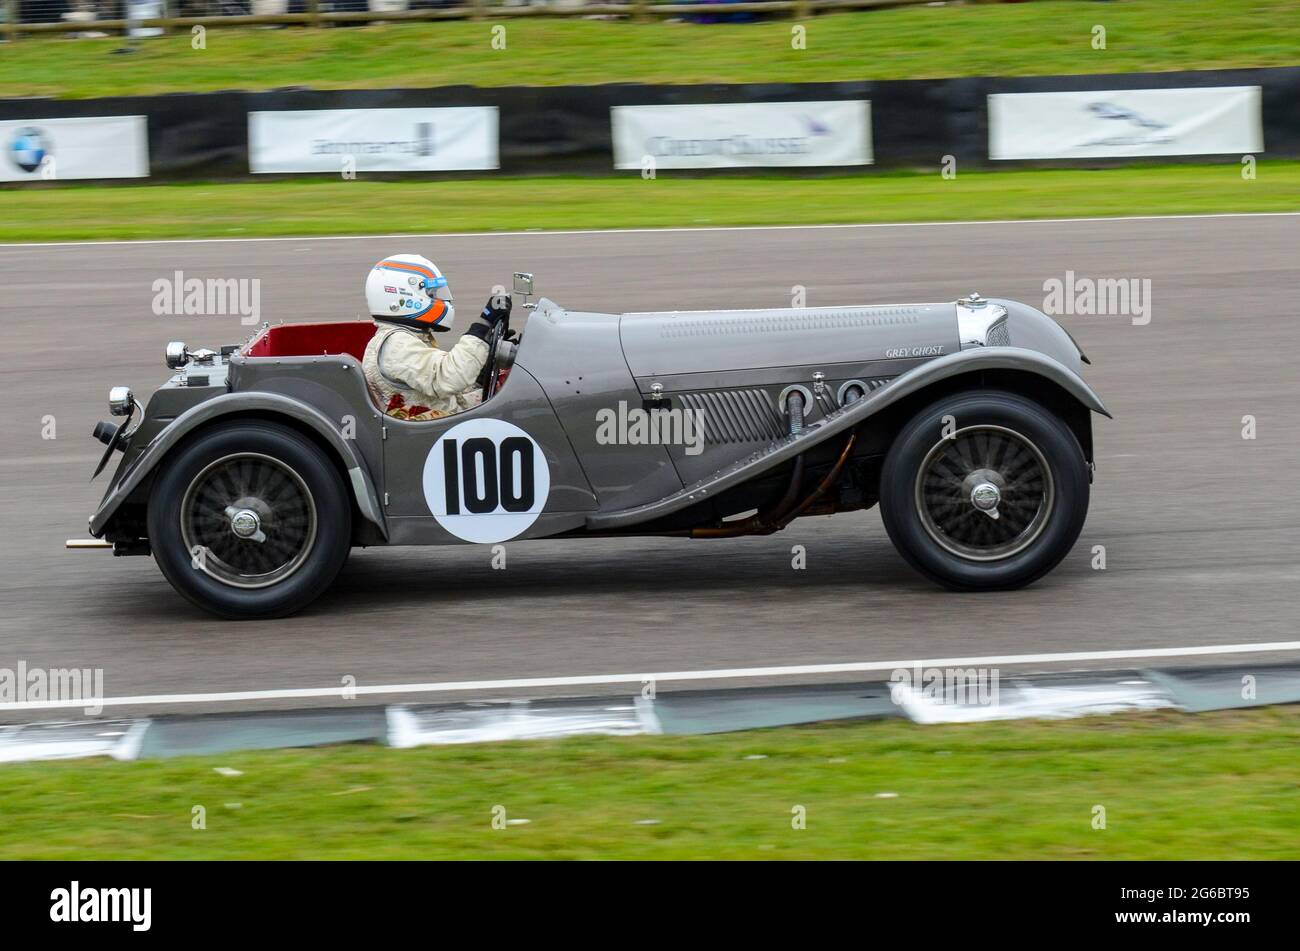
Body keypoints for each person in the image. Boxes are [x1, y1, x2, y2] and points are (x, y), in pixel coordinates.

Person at [361, 254, 510, 421]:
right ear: (402, 296)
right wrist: (483, 325)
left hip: (440, 424)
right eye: (431, 293)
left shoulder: (403, 339)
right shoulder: (396, 345)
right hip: (428, 433)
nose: (439, 298)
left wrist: (481, 377)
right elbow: (450, 378)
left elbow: (446, 401)